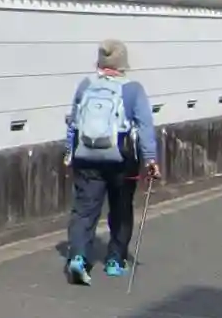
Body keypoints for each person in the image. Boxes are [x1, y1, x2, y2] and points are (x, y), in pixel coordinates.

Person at [63, 39, 159, 285]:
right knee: (121, 208)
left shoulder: (86, 85)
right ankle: (115, 260)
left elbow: (74, 121)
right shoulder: (133, 89)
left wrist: (69, 152)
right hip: (122, 160)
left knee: (84, 210)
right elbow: (145, 126)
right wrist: (150, 159)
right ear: (123, 64)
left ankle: (78, 258)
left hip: (86, 156)